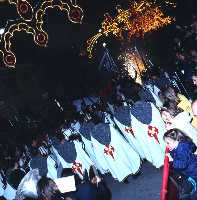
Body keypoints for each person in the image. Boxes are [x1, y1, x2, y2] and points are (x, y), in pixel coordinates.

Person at [163, 129, 197, 199]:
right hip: (191, 166)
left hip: (192, 171)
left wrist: (172, 160)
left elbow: (182, 165)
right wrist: (171, 153)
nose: (166, 145)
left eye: (168, 143)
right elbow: (176, 154)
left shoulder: (182, 149)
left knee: (191, 189)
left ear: (176, 140)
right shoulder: (179, 146)